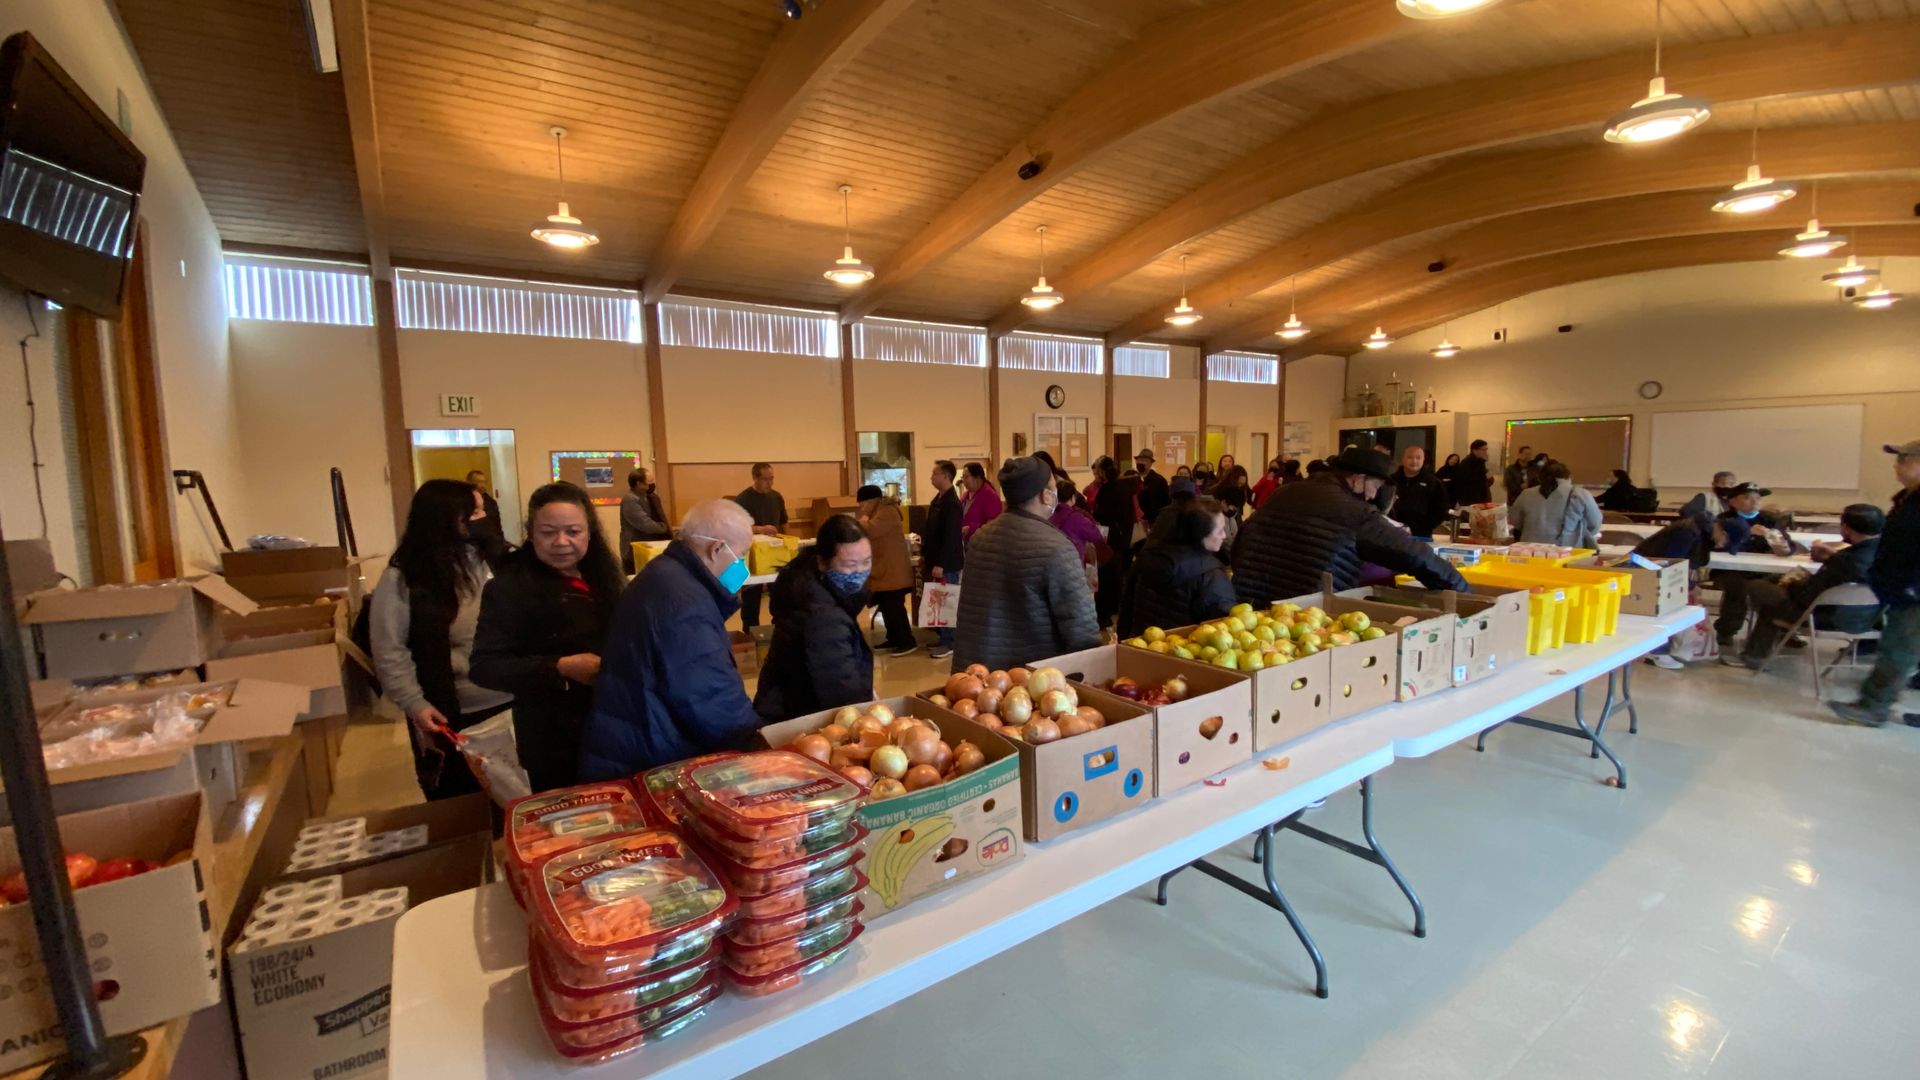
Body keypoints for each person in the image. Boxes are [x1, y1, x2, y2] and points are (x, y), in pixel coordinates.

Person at [575, 500, 763, 778]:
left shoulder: (664, 573)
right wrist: (759, 746)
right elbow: (712, 699)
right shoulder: (686, 604)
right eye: (742, 555)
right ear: (717, 549)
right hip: (653, 755)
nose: (743, 566)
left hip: (635, 735)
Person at [470, 482, 622, 792]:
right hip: (554, 737)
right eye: (548, 532)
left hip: (612, 724)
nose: (561, 541)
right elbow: (485, 666)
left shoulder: (602, 575)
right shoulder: (510, 587)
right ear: (531, 533)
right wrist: (560, 667)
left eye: (573, 531)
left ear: (590, 532)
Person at [371, 480, 515, 800]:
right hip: (451, 709)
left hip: (511, 699)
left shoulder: (496, 558)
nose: (481, 518)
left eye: (482, 510)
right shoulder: (404, 576)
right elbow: (389, 649)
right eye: (472, 512)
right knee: (465, 797)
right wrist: (414, 703)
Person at [1231, 447, 1469, 604]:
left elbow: (1242, 539)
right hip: (1305, 614)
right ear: (1357, 480)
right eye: (1374, 487)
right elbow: (1415, 555)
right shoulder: (1356, 513)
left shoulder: (1284, 492)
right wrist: (1463, 593)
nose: (1372, 495)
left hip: (1248, 605)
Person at [950, 457, 1102, 672]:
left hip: (979, 674)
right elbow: (1081, 628)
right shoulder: (1056, 547)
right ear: (1044, 494)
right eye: (1053, 486)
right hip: (1032, 681)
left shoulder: (981, 538)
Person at [1723, 504, 1884, 670]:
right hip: (1869, 618)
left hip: (1824, 618)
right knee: (1772, 588)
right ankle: (1782, 636)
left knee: (1760, 591)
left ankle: (1754, 655)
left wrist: (1792, 584)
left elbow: (1807, 597)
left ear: (1846, 528)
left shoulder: (1843, 562)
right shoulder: (1884, 554)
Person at [751, 514, 876, 722]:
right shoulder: (821, 614)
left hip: (789, 705)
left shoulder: (805, 579)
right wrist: (863, 720)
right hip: (796, 718)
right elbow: (841, 690)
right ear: (822, 562)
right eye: (849, 564)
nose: (859, 572)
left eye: (866, 562)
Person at [1832, 441, 1920, 726]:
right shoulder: (1906, 498)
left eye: (1903, 460)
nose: (1896, 465)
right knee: (1899, 647)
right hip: (1898, 588)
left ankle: (1873, 707)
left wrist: (1913, 587)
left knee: (1898, 650)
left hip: (1913, 593)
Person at [1119, 497, 1237, 638]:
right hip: (1185, 653)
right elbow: (1224, 632)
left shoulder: (1147, 557)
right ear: (1201, 534)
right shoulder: (1210, 575)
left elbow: (1126, 609)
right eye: (1219, 531)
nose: (1224, 536)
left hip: (1143, 647)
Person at [1631, 495, 1718, 669]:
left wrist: (1690, 585)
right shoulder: (1687, 532)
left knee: (1671, 606)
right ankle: (1657, 652)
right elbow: (1671, 563)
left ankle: (1660, 649)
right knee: (1666, 609)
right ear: (1721, 530)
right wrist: (1688, 586)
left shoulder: (1699, 530)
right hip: (1648, 570)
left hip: (1654, 568)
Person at [1711, 482, 1800, 646]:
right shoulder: (1724, 521)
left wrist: (1782, 546)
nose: (1754, 502)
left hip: (1763, 571)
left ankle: (1784, 629)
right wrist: (1746, 533)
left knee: (1789, 586)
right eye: (1747, 498)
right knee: (1737, 588)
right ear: (1732, 501)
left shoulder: (1769, 520)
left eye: (1758, 499)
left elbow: (1788, 546)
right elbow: (1719, 547)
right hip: (1731, 571)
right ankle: (1727, 630)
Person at [856, 484, 918, 657]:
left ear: (872, 501)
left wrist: (862, 521)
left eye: (863, 504)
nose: (862, 509)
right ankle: (894, 638)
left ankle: (906, 641)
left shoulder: (887, 512)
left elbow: (871, 531)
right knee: (887, 606)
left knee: (894, 607)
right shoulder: (878, 512)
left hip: (893, 570)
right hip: (885, 570)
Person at [732, 463, 787, 630]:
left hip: (775, 553)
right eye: (765, 479)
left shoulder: (776, 497)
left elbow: (784, 523)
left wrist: (789, 543)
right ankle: (750, 632)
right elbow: (738, 528)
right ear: (755, 478)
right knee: (751, 598)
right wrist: (761, 529)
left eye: (772, 479)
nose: (770, 483)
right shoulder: (742, 499)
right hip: (752, 554)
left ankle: (778, 629)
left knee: (780, 595)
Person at [921, 460, 965, 661]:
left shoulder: (952, 503)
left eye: (934, 473)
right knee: (937, 600)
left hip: (946, 563)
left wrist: (941, 563)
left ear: (946, 476)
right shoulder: (937, 499)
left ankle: (950, 642)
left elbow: (951, 537)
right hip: (934, 560)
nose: (931, 477)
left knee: (947, 600)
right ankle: (942, 637)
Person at [1091, 456, 1141, 627]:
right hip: (1123, 534)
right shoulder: (1126, 486)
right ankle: (1115, 607)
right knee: (1118, 573)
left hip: (1112, 536)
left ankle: (1107, 611)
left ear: (1102, 472)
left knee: (1109, 574)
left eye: (1097, 471)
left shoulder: (1110, 489)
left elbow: (1103, 513)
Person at [1509, 461, 1602, 548]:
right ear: (1569, 476)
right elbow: (1595, 524)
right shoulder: (1580, 494)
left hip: (1529, 550)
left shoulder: (1526, 494)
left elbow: (1515, 521)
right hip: (1566, 548)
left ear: (1540, 477)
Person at [1386, 446, 1448, 538]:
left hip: (1421, 534)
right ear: (1403, 459)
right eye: (1410, 457)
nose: (1414, 461)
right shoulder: (1390, 480)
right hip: (1392, 532)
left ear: (1423, 460)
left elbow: (1441, 509)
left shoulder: (1433, 482)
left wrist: (1426, 525)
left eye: (1418, 458)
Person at [618, 467, 671, 573]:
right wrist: (664, 528)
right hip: (633, 550)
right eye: (649, 482)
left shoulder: (651, 497)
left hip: (650, 547)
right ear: (639, 484)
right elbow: (645, 524)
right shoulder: (630, 499)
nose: (653, 484)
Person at [1050, 479, 1108, 566]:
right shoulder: (1076, 517)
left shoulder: (1049, 514)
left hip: (1053, 562)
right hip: (1073, 563)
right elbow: (1095, 535)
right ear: (1073, 497)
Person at [466, 469, 509, 563]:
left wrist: (501, 543)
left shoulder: (491, 502)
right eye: (478, 482)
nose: (482, 485)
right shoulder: (463, 503)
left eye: (484, 481)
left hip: (492, 547)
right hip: (473, 550)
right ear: (470, 483)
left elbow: (497, 525)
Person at [960, 461, 1003, 542]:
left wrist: (971, 528)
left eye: (966, 477)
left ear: (978, 478)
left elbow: (994, 525)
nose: (963, 481)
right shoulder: (965, 495)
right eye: (962, 477)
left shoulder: (990, 496)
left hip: (981, 544)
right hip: (966, 543)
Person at [1451, 439, 1493, 506]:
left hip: (1481, 498)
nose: (1485, 452)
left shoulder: (1480, 462)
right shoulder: (1466, 463)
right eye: (1483, 450)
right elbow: (1465, 483)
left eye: (1486, 449)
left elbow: (1488, 481)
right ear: (1474, 450)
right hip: (1470, 499)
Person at [1135, 448, 1171, 524]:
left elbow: (1166, 503)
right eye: (1139, 460)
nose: (1140, 462)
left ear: (1150, 463)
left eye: (1144, 460)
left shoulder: (1159, 480)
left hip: (1153, 521)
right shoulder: (1132, 479)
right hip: (1136, 522)